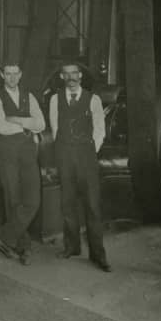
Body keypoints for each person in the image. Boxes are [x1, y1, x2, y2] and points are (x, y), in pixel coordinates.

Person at [49, 61, 110, 272]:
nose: (71, 77)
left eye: (74, 73)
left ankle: (98, 254)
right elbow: (55, 128)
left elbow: (100, 130)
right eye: (66, 73)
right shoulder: (55, 99)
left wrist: (89, 151)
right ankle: (72, 247)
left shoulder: (93, 99)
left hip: (86, 157)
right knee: (67, 204)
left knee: (93, 206)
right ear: (61, 77)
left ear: (81, 76)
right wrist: (63, 152)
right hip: (65, 156)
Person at [0, 63, 46, 266]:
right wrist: (26, 123)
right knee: (13, 198)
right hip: (7, 151)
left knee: (33, 199)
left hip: (28, 151)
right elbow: (1, 127)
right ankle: (23, 246)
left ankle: (3, 239)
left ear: (21, 75)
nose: (11, 78)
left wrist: (16, 119)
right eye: (8, 74)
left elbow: (41, 124)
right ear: (2, 75)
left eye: (15, 74)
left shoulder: (29, 96)